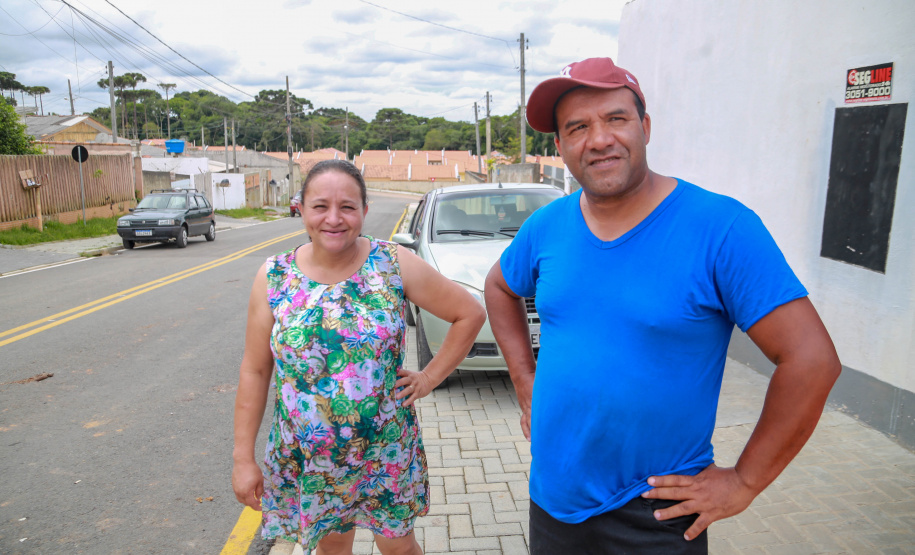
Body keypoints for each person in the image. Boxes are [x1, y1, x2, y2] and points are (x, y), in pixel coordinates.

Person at [484, 57, 841, 554]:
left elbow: (812, 359)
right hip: (552, 500)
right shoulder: (547, 226)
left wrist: (743, 481)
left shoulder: (721, 228)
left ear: (645, 127)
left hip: (657, 512)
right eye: (578, 127)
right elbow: (499, 287)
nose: (600, 139)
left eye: (616, 118)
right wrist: (525, 382)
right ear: (561, 146)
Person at [233, 159, 485, 555]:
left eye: (347, 207)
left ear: (365, 211)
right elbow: (254, 369)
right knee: (332, 549)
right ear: (300, 208)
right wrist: (242, 458)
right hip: (311, 456)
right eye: (320, 206)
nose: (334, 219)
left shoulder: (391, 264)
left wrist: (430, 377)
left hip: (383, 449)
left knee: (398, 547)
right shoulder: (275, 276)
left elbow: (469, 313)